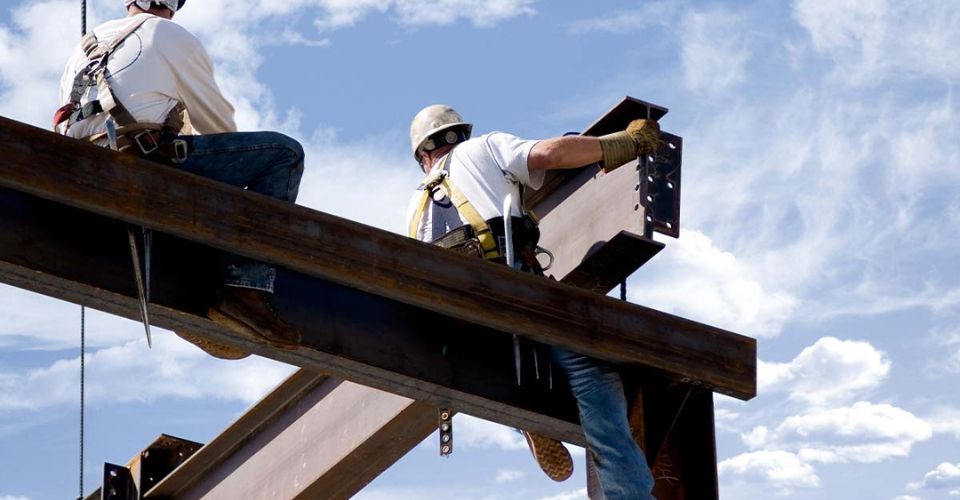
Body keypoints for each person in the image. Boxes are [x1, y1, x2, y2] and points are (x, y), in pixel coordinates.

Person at [405, 105, 660, 499]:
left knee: (516, 360)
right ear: (460, 135)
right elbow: (550, 156)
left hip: (450, 330)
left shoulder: (414, 207)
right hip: (508, 292)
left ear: (424, 156)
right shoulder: (483, 149)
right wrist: (624, 143)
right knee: (590, 369)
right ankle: (628, 493)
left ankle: (526, 406)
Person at [56, 0, 304, 360]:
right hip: (139, 162)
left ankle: (191, 286)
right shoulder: (169, 34)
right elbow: (218, 123)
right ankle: (244, 291)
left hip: (82, 171)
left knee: (186, 177)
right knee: (283, 153)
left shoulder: (84, 48)